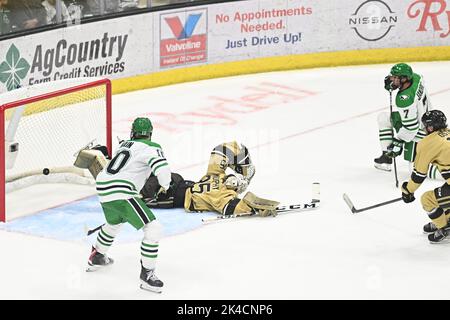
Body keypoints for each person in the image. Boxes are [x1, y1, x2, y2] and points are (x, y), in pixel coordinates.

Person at [85, 117, 170, 293]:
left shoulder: (123, 145)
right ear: (150, 134)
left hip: (102, 187)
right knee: (153, 228)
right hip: (122, 190)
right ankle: (147, 274)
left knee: (115, 223)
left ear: (133, 132)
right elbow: (163, 173)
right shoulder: (152, 147)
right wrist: (165, 185)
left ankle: (98, 255)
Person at [142, 141, 280, 217]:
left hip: (176, 182)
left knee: (144, 179)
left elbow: (221, 150)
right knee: (139, 196)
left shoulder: (216, 176)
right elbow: (232, 208)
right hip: (170, 196)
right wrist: (254, 209)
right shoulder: (223, 195)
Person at [400, 110, 450, 243]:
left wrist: (408, 190)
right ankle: (445, 219)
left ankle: (445, 228)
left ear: (430, 127)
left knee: (427, 199)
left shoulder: (427, 142)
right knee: (444, 197)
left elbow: (419, 174)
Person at [374, 63, 433, 174]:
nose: (392, 79)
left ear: (405, 79)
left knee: (415, 170)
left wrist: (397, 142)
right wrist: (393, 86)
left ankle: (444, 171)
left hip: (421, 132)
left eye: (396, 78)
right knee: (384, 118)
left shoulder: (405, 100)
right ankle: (386, 157)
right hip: (427, 121)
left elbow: (411, 129)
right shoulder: (417, 77)